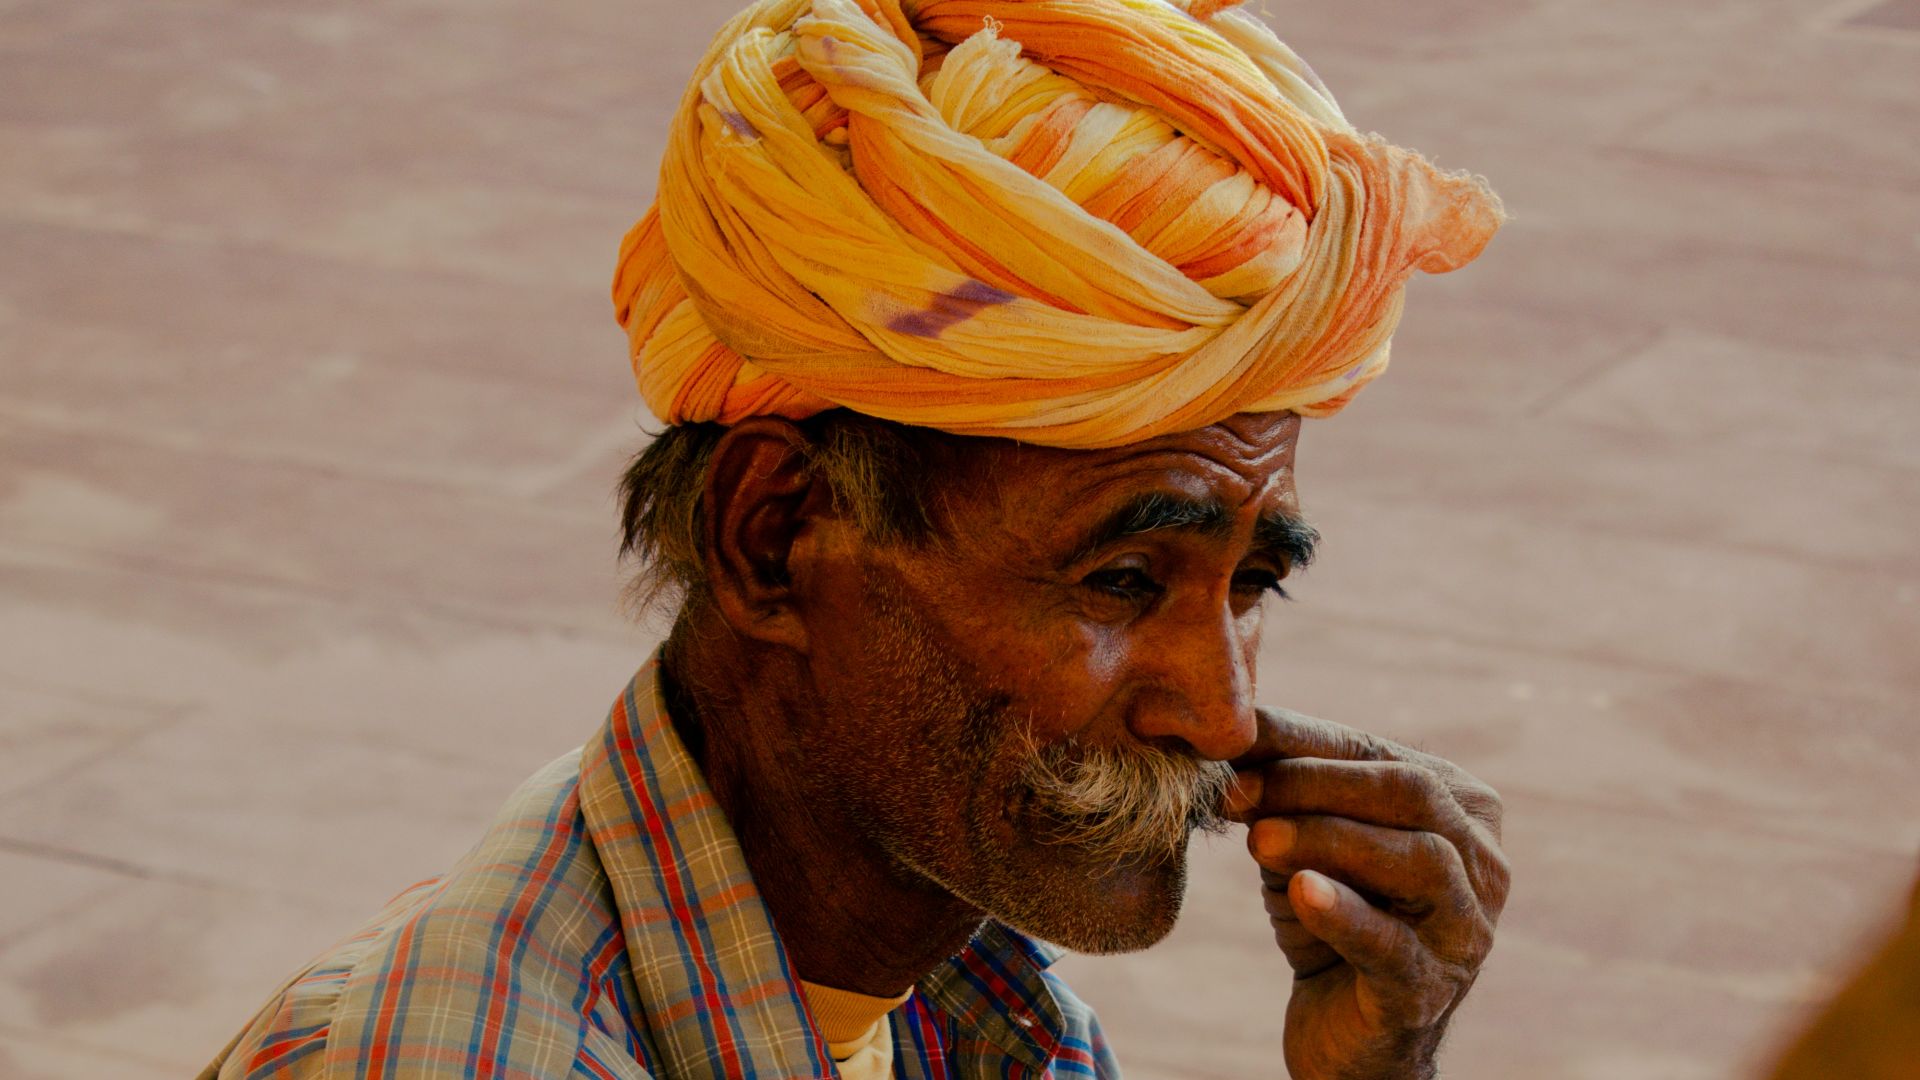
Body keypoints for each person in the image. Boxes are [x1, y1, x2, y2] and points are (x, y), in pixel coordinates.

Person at [203, 0, 1509, 1077]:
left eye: (1251, 584)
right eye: (1122, 579)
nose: (1221, 718)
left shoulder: (936, 985)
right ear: (774, 540)